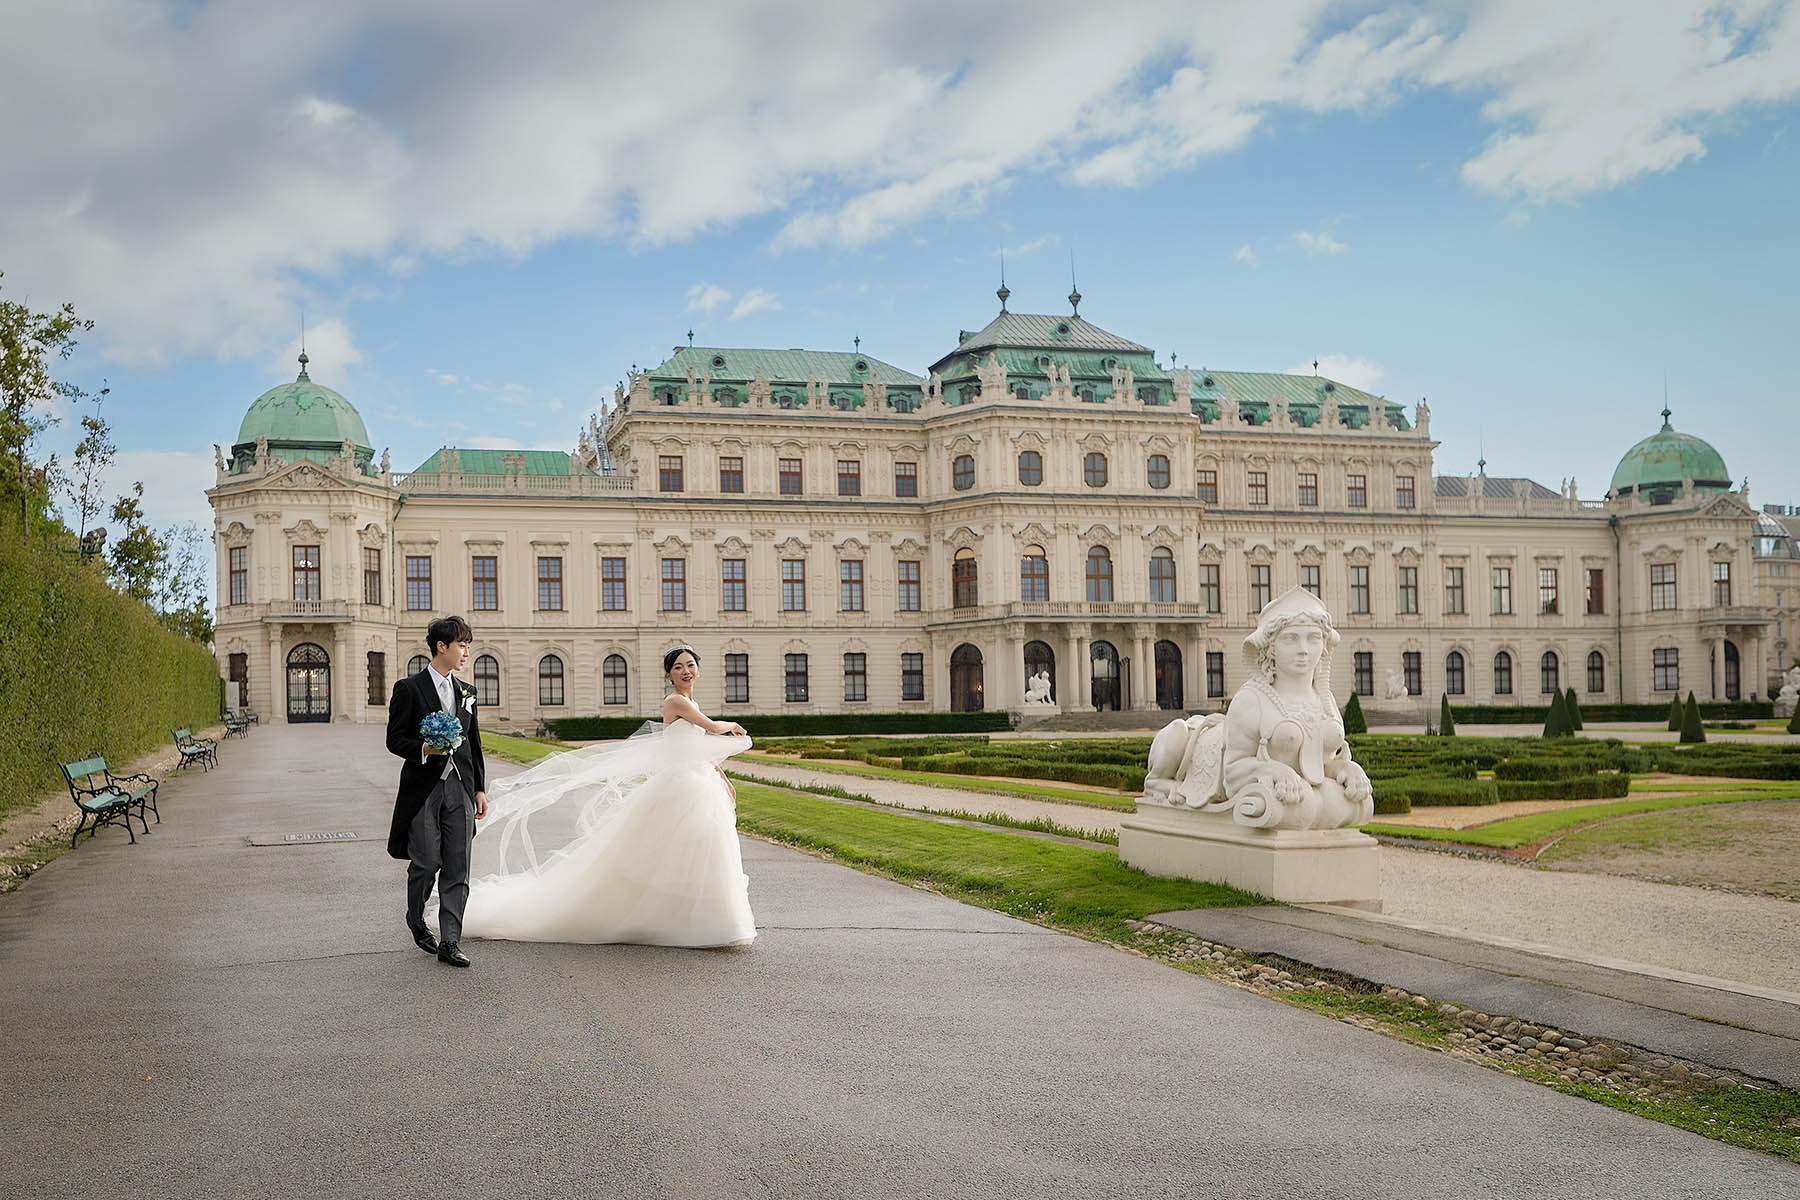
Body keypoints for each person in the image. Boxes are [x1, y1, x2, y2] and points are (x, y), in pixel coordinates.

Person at [453, 645, 756, 948]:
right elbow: (713, 729)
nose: (686, 671)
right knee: (671, 853)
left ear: (698, 669)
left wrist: (723, 777)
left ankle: (708, 922)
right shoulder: (675, 701)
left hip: (696, 783)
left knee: (699, 852)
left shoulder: (691, 701)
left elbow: (697, 747)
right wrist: (734, 726)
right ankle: (676, 921)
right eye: (678, 667)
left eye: (690, 665)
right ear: (668, 674)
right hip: (679, 787)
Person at [1220, 587, 1373, 829]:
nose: (1303, 649)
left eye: (1313, 638)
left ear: (1323, 646)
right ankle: (1160, 784)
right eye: (1290, 638)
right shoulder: (1251, 699)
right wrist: (1275, 771)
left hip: (1301, 797)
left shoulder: (1325, 699)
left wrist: (1347, 767)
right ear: (1270, 647)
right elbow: (1232, 773)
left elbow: (1318, 765)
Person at [386, 615, 488, 968]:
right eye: (461, 645)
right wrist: (424, 749)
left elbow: (474, 745)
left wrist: (479, 788)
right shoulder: (409, 689)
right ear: (441, 647)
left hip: (459, 787)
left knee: (458, 865)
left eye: (468, 646)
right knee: (427, 861)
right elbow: (394, 739)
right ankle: (416, 916)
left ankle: (450, 941)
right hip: (424, 788)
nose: (466, 652)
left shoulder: (467, 693)